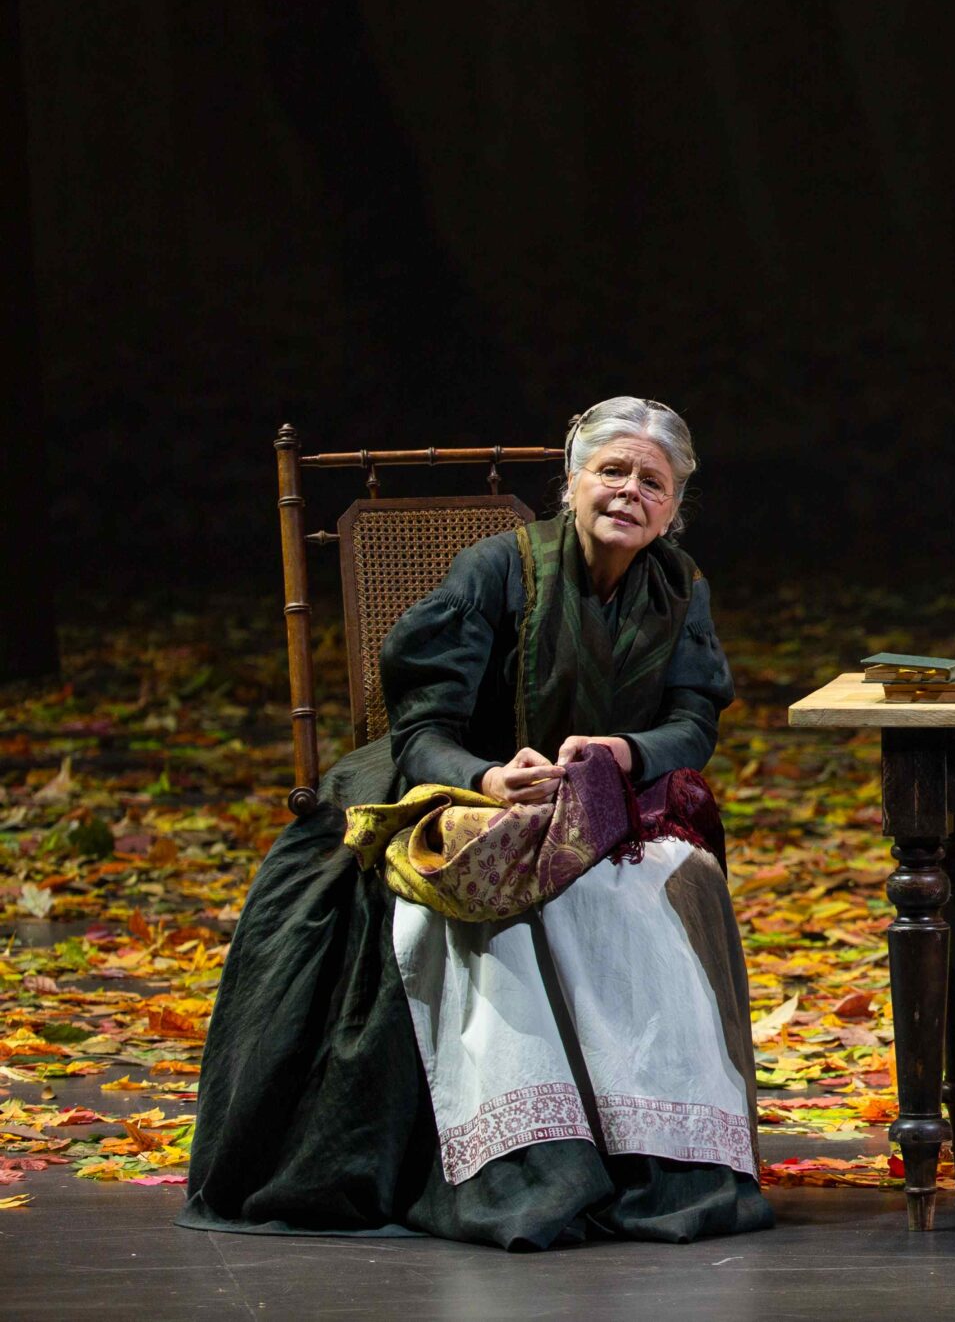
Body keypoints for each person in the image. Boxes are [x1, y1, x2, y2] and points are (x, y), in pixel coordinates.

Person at [182, 398, 771, 1250]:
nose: (629, 492)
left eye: (653, 481)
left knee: (648, 894)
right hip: (460, 788)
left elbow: (694, 721)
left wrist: (626, 752)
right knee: (486, 909)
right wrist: (487, 777)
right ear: (571, 481)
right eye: (612, 470)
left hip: (598, 800)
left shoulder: (680, 588)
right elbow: (422, 727)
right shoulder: (498, 569)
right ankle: (525, 1164)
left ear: (675, 504)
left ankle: (654, 1159)